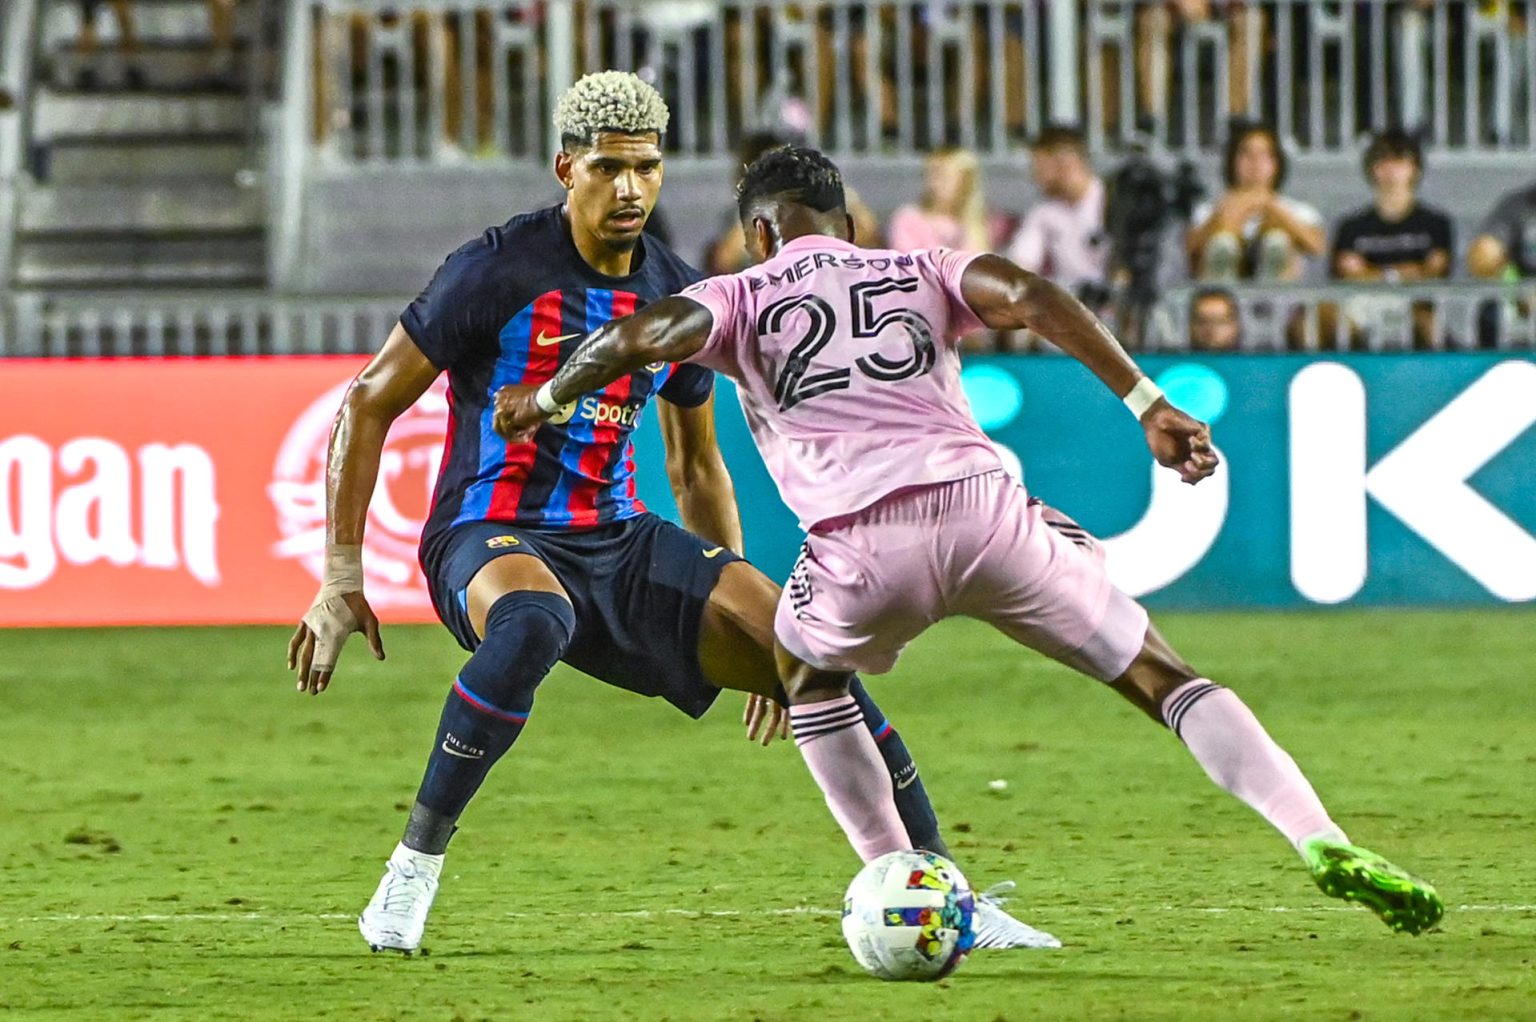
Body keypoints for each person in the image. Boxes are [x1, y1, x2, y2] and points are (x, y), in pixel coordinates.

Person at [495, 145, 1445, 940]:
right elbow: (1027, 293)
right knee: (1164, 676)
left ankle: (903, 882)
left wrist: (544, 398)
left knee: (805, 676)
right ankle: (1316, 833)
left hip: (861, 550)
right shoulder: (921, 269)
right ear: (848, 224)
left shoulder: (740, 294)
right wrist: (1150, 404)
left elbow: (646, 333)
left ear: (760, 234)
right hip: (983, 512)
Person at [287, 72, 1051, 956]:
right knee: (534, 617)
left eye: (646, 168)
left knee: (813, 657)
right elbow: (369, 401)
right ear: (565, 168)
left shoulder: (680, 293)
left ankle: (945, 887)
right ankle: (411, 872)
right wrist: (340, 577)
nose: (630, 189)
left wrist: (746, 598)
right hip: (487, 532)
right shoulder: (494, 269)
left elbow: (695, 465)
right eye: (609, 169)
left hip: (617, 536)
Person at [1329, 129, 1452, 348]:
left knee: (1430, 324)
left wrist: (1374, 273)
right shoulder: (1351, 227)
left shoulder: (1435, 223)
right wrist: (1406, 272)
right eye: (1383, 161)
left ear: (1415, 168)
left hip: (1414, 304)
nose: (1391, 169)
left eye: (1400, 161)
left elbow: (1433, 273)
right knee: (1331, 317)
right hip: (1363, 305)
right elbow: (1347, 275)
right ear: (1371, 168)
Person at [1187, 122, 1325, 281]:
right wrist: (1223, 215)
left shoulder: (1298, 210)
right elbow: (1190, 248)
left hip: (1283, 298)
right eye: (1246, 154)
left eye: (1265, 155)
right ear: (1233, 161)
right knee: (1222, 242)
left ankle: (1273, 282)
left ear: (1276, 163)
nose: (1255, 162)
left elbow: (1317, 246)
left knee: (1277, 240)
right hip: (1220, 297)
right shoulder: (1208, 210)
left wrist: (1272, 208)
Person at [1006, 125, 1109, 301]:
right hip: (1072, 310)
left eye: (1039, 167)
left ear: (1066, 163)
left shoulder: (1113, 202)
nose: (1035, 177)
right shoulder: (1043, 213)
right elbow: (1020, 266)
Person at [887, 148, 1007, 254]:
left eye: (943, 176)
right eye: (930, 174)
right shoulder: (909, 218)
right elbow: (907, 265)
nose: (933, 182)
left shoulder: (985, 221)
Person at [1189, 286, 1242, 351]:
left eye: (1219, 321)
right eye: (1203, 322)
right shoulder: (1177, 359)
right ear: (1191, 325)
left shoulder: (1252, 360)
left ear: (1235, 325)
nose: (1211, 329)